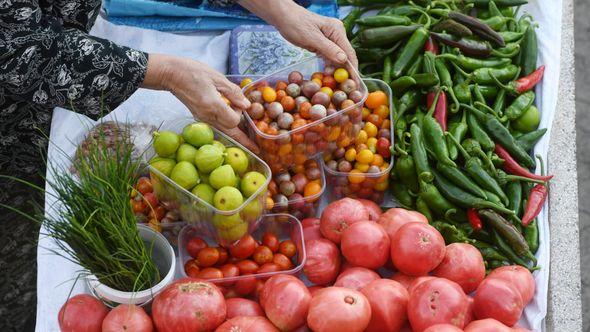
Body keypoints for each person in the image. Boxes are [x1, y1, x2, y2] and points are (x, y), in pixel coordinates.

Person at [0, 0, 356, 329]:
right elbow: (14, 48)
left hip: (71, 42)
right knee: (24, 211)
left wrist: (283, 11)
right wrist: (169, 74)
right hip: (17, 113)